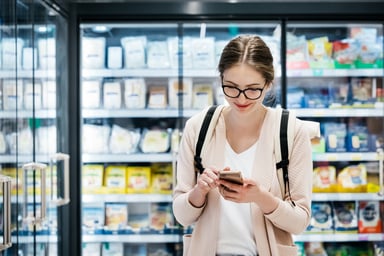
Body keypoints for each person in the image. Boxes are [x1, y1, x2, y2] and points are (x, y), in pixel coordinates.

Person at [173, 35, 315, 256]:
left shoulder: (291, 132)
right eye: (231, 87)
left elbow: (300, 222)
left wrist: (260, 197)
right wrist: (199, 191)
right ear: (220, 79)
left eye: (252, 89)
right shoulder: (198, 128)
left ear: (268, 84)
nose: (241, 98)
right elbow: (182, 216)